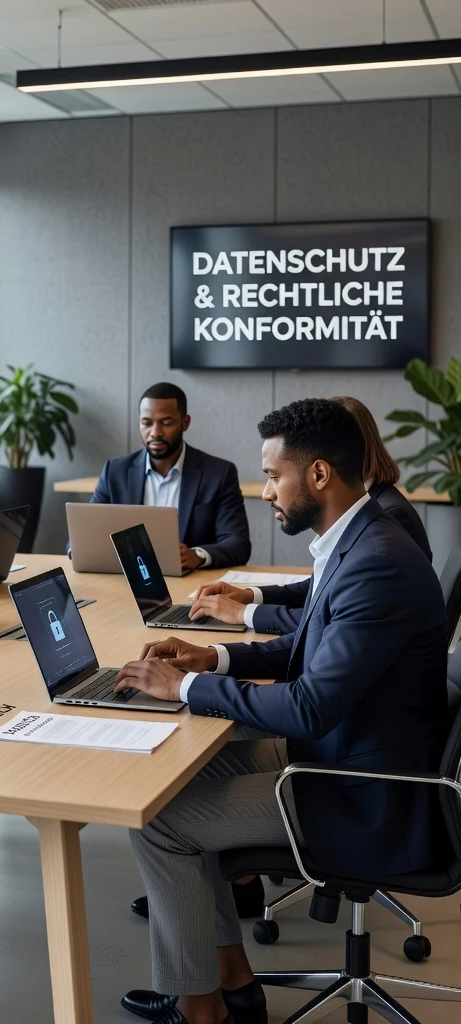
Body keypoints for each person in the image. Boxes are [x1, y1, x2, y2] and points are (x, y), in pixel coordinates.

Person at [113, 398, 446, 1024]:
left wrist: (182, 688)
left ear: (318, 475)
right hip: (349, 750)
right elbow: (308, 645)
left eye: (272, 476)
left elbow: (309, 706)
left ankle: (200, 1007)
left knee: (157, 820)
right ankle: (232, 984)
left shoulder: (376, 562)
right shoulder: (357, 539)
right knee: (176, 779)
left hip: (364, 792)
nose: (265, 491)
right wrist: (211, 658)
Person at [188, 394, 433, 635]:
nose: (266, 493)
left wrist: (244, 613)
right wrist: (251, 596)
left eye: (275, 477)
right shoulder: (362, 509)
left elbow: (332, 619)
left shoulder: (386, 518)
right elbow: (323, 590)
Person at [89, 382, 250, 570]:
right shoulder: (115, 471)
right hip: (128, 576)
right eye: (147, 423)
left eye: (166, 423)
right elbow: (87, 534)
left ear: (185, 423)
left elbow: (238, 542)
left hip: (191, 580)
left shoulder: (218, 474)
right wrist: (77, 550)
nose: (155, 433)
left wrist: (198, 555)